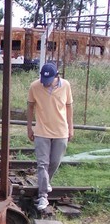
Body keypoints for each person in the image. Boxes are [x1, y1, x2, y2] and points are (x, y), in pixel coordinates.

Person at [27, 62, 74, 210]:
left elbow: (69, 106)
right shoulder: (35, 86)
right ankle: (43, 195)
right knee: (42, 164)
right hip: (41, 131)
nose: (45, 84)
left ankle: (45, 183)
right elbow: (30, 106)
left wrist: (70, 127)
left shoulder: (65, 85)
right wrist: (29, 127)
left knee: (54, 162)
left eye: (48, 81)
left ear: (56, 77)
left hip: (60, 131)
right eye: (43, 80)